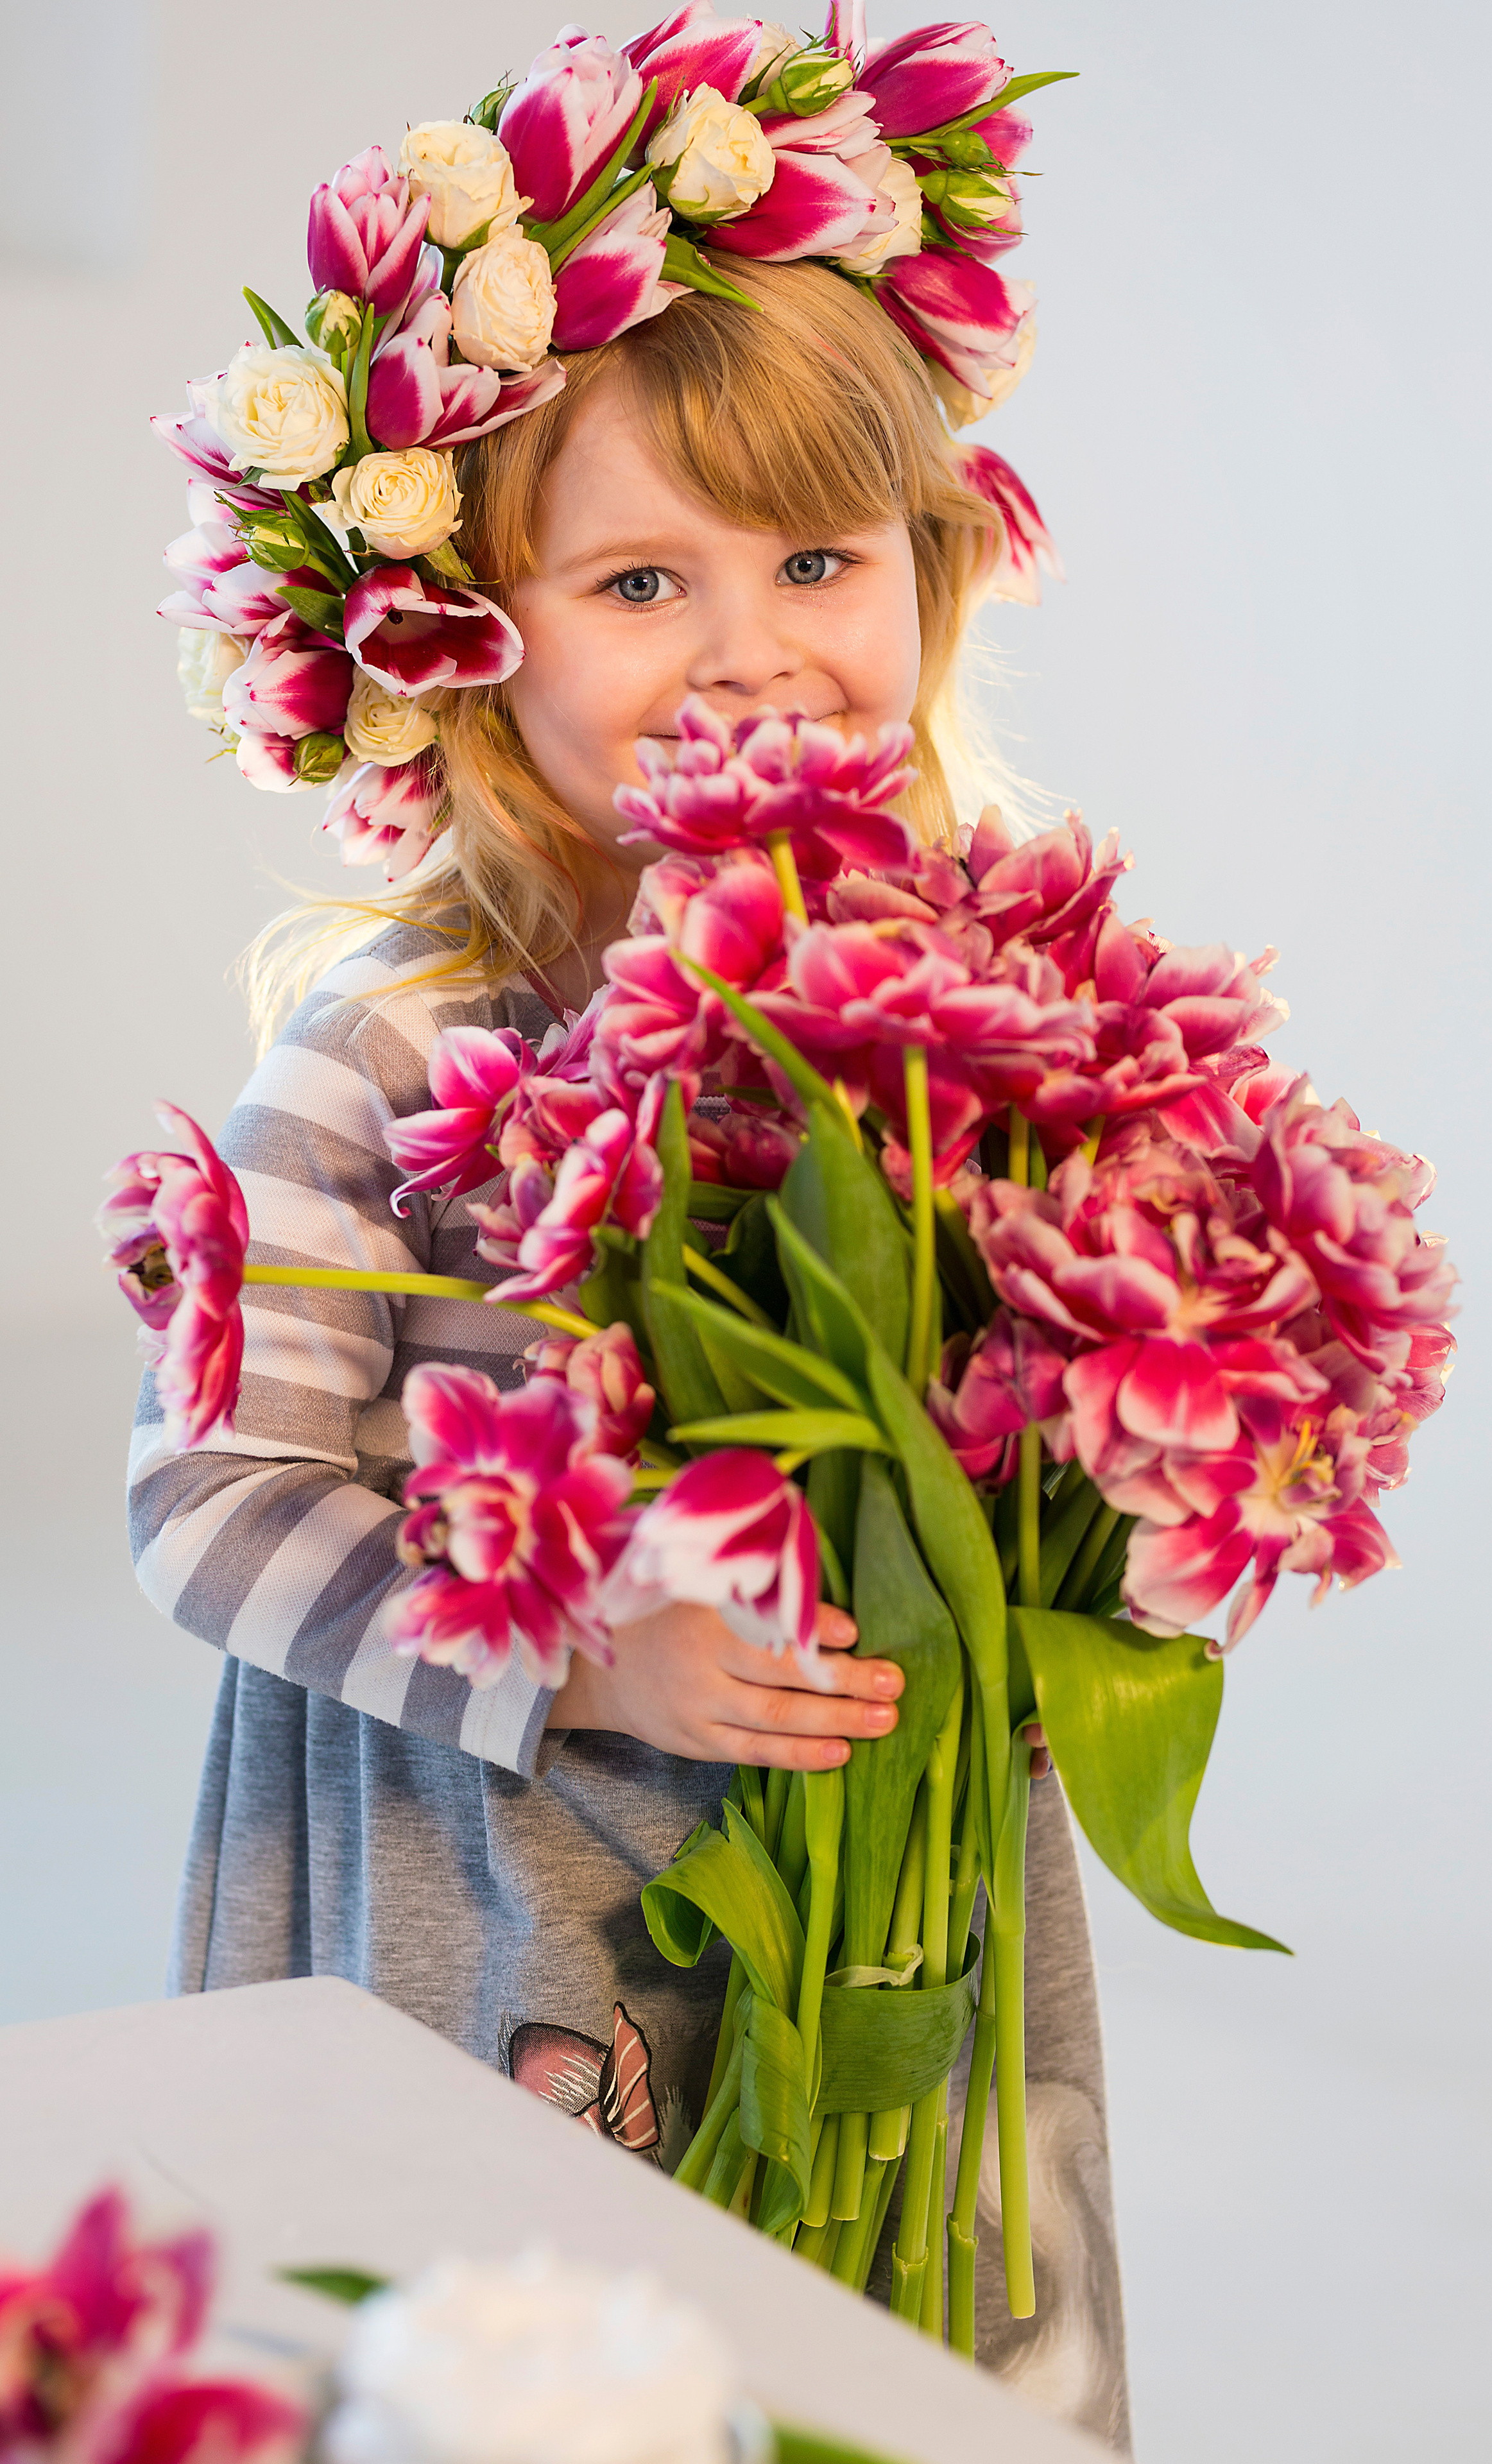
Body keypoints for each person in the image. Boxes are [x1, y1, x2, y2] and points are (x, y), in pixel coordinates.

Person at [135, 138, 1129, 2464]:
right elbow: (207, 1494)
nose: (755, 643)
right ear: (472, 640)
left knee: (919, 2330)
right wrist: (576, 1656)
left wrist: (1068, 1588)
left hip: (899, 1876)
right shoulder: (391, 1052)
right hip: (514, 1887)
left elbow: (1042, 1407)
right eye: (637, 579)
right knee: (551, 2363)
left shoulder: (975, 1002)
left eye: (818, 559)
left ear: (932, 578)